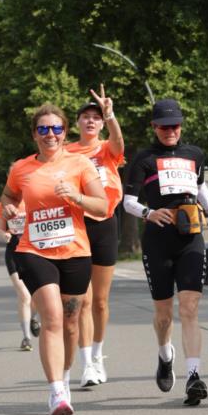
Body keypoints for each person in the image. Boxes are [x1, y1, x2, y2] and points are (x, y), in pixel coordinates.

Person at [0, 103, 106, 415]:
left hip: (75, 251)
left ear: (64, 132)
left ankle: (65, 375)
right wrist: (6, 209)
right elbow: (8, 196)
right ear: (34, 134)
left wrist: (76, 196)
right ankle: (56, 390)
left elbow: (101, 207)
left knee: (71, 325)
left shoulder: (80, 164)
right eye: (43, 129)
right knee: (52, 318)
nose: (50, 134)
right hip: (35, 250)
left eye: (56, 128)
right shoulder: (21, 168)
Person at [123, 98, 208, 406]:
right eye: (165, 127)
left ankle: (194, 376)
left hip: (190, 236)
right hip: (158, 240)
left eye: (175, 126)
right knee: (164, 314)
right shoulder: (143, 159)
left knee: (190, 307)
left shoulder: (194, 154)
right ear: (154, 127)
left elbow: (201, 185)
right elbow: (127, 201)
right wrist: (149, 213)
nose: (171, 131)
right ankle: (165, 353)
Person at [66, 87, 124, 387]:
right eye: (86, 117)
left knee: (100, 301)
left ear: (101, 124)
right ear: (77, 123)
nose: (91, 121)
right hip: (77, 225)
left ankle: (99, 354)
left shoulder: (106, 150)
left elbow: (118, 142)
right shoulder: (67, 152)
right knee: (83, 300)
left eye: (96, 118)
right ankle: (87, 364)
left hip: (104, 223)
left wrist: (110, 113)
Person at [0, 200, 41, 351]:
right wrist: (4, 235)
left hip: (34, 251)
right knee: (24, 296)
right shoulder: (5, 204)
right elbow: (0, 229)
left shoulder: (35, 196)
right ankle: (26, 338)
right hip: (14, 253)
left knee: (35, 296)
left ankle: (33, 317)